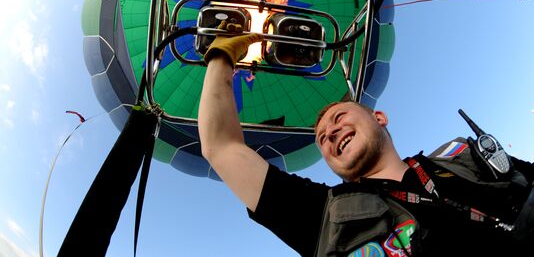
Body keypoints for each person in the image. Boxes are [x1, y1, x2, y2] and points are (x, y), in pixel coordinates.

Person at [197, 23, 534, 256]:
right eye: (322, 139)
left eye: (339, 117)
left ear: (379, 117)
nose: (330, 133)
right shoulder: (322, 216)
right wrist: (222, 56)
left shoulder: (466, 156)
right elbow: (222, 148)